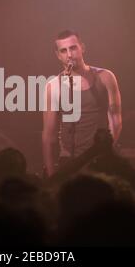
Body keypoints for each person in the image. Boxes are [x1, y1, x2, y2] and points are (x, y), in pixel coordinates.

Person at [42, 30, 122, 177]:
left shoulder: (105, 77)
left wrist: (105, 151)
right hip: (69, 161)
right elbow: (49, 135)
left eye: (73, 48)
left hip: (99, 158)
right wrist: (51, 173)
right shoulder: (53, 86)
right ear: (58, 55)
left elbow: (116, 120)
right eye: (64, 51)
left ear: (82, 48)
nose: (70, 55)